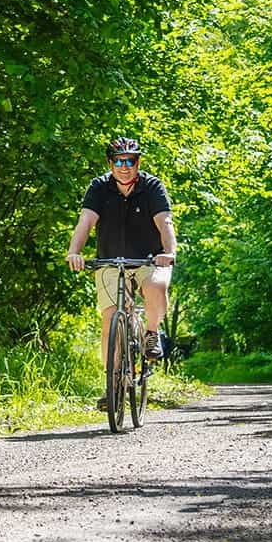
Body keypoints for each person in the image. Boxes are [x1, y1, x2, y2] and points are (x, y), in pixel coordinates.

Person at [67, 137, 176, 409]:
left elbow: (165, 222)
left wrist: (169, 252)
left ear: (138, 162)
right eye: (118, 161)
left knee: (156, 286)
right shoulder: (99, 187)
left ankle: (151, 332)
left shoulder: (152, 187)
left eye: (130, 161)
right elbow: (86, 222)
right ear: (110, 163)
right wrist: (74, 252)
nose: (124, 166)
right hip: (110, 262)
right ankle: (113, 384)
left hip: (148, 259)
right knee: (109, 319)